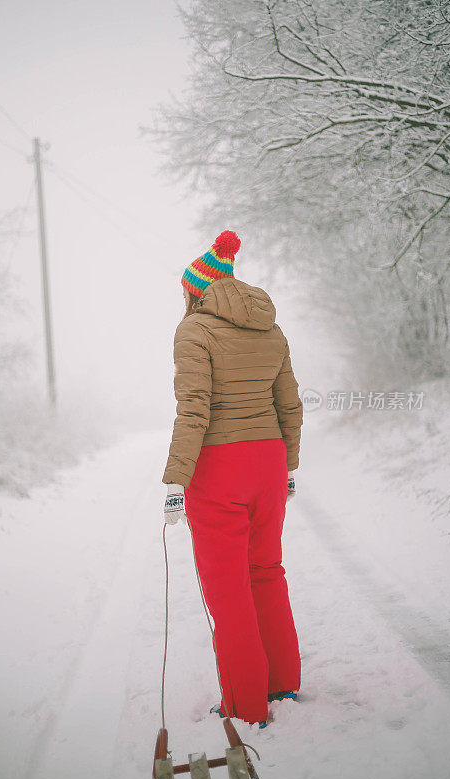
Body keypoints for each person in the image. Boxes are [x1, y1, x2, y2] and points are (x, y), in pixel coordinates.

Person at [162, 230, 303, 727]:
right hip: (267, 460)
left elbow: (193, 409)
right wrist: (288, 466)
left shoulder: (194, 331)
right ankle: (282, 683)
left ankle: (246, 704)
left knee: (228, 589)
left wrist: (176, 480)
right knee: (266, 570)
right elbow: (290, 406)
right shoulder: (272, 329)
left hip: (219, 468)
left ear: (195, 291)